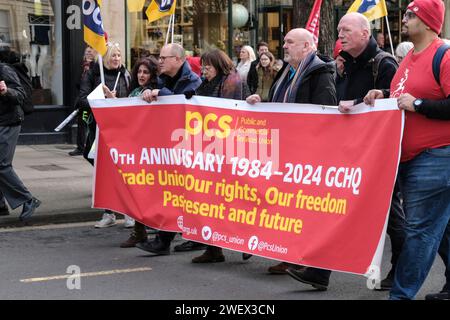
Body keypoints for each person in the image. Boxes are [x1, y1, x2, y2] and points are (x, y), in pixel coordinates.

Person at [287, 12, 400, 291]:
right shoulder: (345, 64)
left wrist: (378, 96)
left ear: (365, 33)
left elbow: (396, 99)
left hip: (377, 152)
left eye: (346, 30)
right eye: (339, 30)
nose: (340, 35)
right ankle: (319, 271)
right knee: (333, 206)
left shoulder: (384, 64)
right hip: (349, 151)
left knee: (390, 214)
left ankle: (403, 267)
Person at [364, 0, 450, 300]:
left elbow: (419, 100)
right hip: (413, 159)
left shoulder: (444, 55)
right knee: (440, 229)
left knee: (421, 230)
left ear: (428, 22)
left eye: (412, 15)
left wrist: (419, 105)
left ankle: (400, 296)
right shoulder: (409, 57)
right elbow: (406, 96)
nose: (405, 19)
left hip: (437, 158)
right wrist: (385, 94)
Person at [246, 28, 337, 275]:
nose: (284, 46)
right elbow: (280, 104)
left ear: (307, 46)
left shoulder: (320, 73)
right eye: (284, 42)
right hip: (284, 150)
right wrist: (260, 102)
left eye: (290, 42)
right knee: (286, 208)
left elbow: (325, 111)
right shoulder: (288, 71)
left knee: (304, 211)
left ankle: (309, 262)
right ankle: (289, 255)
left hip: (306, 153)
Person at [137, 43, 205, 255]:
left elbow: (184, 106)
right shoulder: (164, 77)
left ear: (178, 59)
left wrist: (161, 92)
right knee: (173, 192)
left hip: (187, 146)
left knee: (184, 194)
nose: (160, 61)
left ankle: (169, 240)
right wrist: (149, 92)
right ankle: (166, 239)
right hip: (169, 145)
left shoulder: (192, 80)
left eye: (164, 58)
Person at [189, 49, 251, 263]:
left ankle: (246, 240)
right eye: (202, 66)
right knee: (212, 201)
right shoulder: (205, 83)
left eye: (208, 66)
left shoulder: (232, 82)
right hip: (209, 148)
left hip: (229, 148)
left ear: (219, 64)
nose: (204, 70)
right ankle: (214, 248)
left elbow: (235, 113)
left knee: (234, 200)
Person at [78, 41, 133, 228]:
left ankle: (128, 213)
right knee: (103, 169)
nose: (117, 59)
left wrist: (116, 101)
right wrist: (101, 100)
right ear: (105, 58)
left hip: (122, 129)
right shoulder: (93, 74)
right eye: (113, 55)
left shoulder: (126, 74)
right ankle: (109, 213)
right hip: (99, 128)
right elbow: (82, 101)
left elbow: (133, 100)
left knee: (123, 171)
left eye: (119, 55)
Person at [120, 56, 160, 248]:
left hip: (147, 148)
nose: (141, 75)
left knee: (145, 191)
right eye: (139, 71)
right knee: (135, 189)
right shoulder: (135, 90)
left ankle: (148, 229)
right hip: (133, 146)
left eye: (146, 72)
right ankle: (139, 231)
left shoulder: (152, 93)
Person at [0, 60, 41, 221]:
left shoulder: (4, 69)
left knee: (2, 165)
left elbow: (20, 93)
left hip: (8, 122)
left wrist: (6, 91)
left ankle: (28, 200)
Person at [69, 46, 98, 157]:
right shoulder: (82, 67)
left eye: (91, 52)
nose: (89, 54)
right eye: (87, 53)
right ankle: (81, 147)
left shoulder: (96, 67)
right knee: (82, 122)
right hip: (84, 102)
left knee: (92, 125)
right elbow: (77, 82)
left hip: (93, 101)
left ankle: (91, 147)